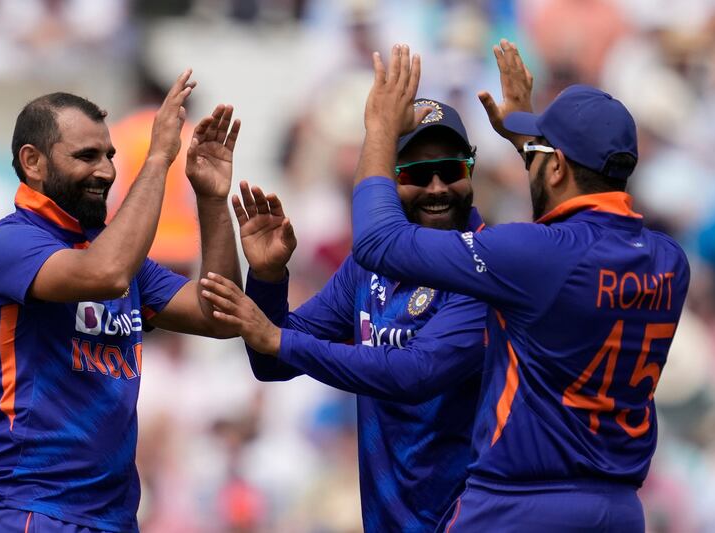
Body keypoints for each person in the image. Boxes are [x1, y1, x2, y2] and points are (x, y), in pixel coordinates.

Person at [349, 44, 690, 531]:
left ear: (556, 167)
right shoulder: (669, 261)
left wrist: (380, 130)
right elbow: (564, 252)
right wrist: (533, 143)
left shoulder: (537, 255)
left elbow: (378, 242)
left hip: (518, 505)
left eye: (540, 150)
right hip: (617, 510)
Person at [199, 44, 533, 529]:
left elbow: (414, 374)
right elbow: (270, 364)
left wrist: (275, 337)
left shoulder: (487, 267)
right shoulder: (368, 270)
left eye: (452, 170)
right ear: (388, 180)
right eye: (417, 173)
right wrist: (269, 278)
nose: (438, 187)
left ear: (472, 169)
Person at [0, 70, 242, 533]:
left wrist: (210, 199)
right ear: (32, 161)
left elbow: (220, 315)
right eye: (86, 156)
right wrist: (158, 159)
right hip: (25, 510)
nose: (107, 170)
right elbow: (105, 276)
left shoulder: (115, 252)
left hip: (111, 518)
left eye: (110, 155)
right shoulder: (8, 246)